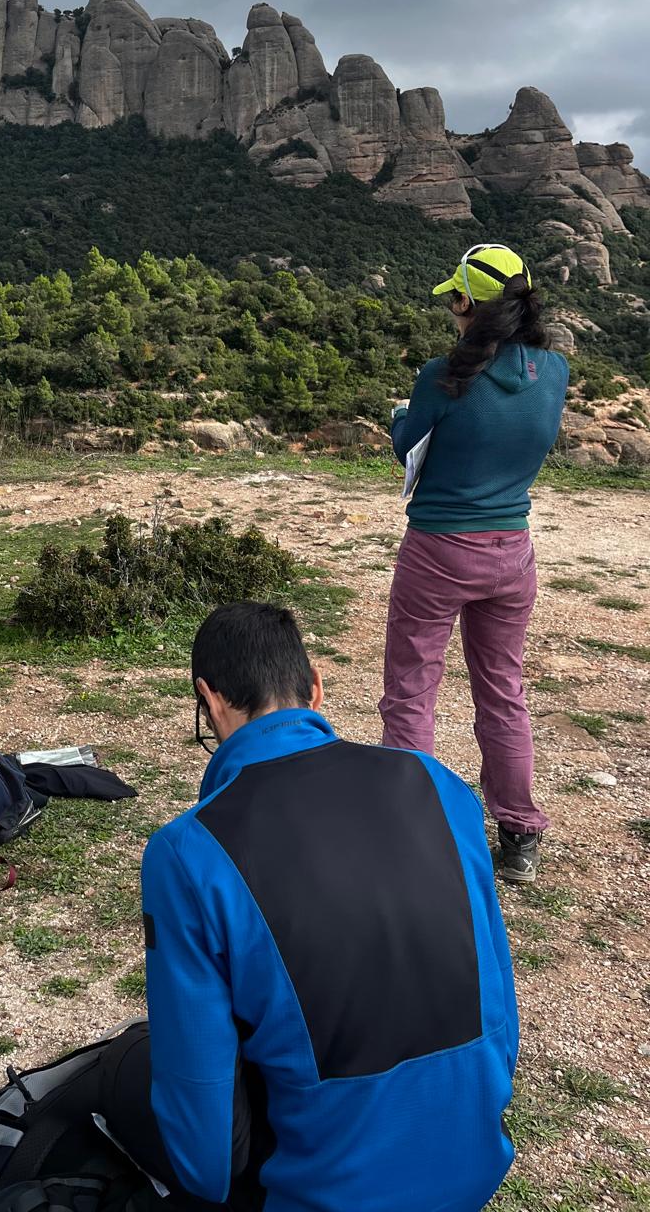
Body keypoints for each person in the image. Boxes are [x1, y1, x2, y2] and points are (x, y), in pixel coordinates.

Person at [97, 602, 518, 1212]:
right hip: (475, 1164)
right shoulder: (438, 782)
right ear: (315, 687)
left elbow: (204, 1143)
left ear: (209, 700)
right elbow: (497, 987)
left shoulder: (187, 852)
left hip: (320, 1193)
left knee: (127, 1068)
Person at [381, 243, 568, 884]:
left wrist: (401, 419)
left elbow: (409, 446)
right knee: (503, 691)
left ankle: (408, 831)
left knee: (411, 689)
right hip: (512, 551)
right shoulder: (554, 371)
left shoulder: (442, 375)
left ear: (465, 302)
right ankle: (518, 833)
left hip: (438, 548)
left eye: (453, 298)